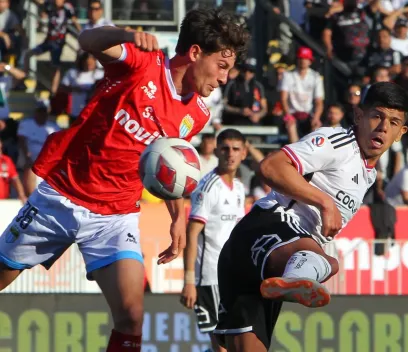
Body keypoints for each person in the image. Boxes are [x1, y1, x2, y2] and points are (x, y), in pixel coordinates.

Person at [0, 8, 249, 352]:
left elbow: (167, 165)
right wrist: (127, 36)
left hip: (115, 217)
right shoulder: (143, 64)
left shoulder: (198, 114)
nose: (225, 78)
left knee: (132, 316)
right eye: (222, 66)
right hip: (62, 196)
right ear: (195, 53)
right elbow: (88, 40)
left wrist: (177, 215)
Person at [212, 82, 408, 351]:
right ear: (359, 116)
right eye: (377, 115)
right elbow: (271, 167)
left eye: (394, 122)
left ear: (401, 132)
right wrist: (325, 202)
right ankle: (297, 276)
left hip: (256, 263)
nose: (383, 127)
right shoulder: (338, 143)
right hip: (268, 230)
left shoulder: (369, 173)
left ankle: (295, 276)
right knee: (329, 261)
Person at [181, 128, 247, 352]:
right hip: (209, 277)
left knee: (233, 344)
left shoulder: (239, 188)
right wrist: (189, 280)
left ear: (243, 153)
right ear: (216, 151)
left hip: (231, 277)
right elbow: (192, 233)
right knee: (221, 347)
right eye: (225, 148)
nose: (230, 154)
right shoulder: (207, 188)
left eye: (236, 149)